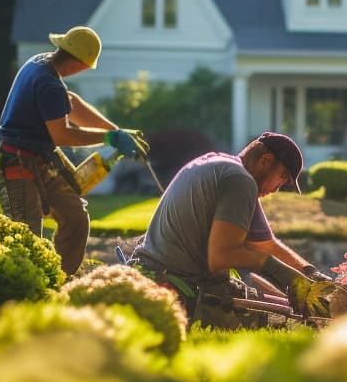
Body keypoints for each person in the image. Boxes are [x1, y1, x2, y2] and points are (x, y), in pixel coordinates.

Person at [0, 26, 149, 276]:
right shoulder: (46, 82)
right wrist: (110, 138)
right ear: (78, 63)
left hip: (40, 159)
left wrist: (116, 130)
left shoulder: (41, 64)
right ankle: (26, 291)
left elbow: (70, 103)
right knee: (26, 236)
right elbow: (62, 135)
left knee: (75, 218)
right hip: (14, 161)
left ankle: (61, 279)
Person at [130, 132, 334, 326]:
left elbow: (264, 244)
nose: (278, 188)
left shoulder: (221, 166)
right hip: (174, 289)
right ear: (265, 160)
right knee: (285, 325)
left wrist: (312, 274)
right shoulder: (240, 181)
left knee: (269, 308)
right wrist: (279, 271)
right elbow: (221, 256)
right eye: (282, 177)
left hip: (150, 273)